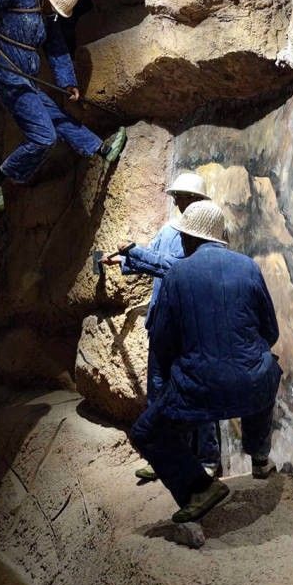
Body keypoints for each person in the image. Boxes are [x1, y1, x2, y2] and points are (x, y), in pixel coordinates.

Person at [130, 199, 281, 524]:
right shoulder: (249, 267)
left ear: (188, 238)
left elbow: (163, 345)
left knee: (146, 431)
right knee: (268, 367)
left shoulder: (177, 275)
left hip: (201, 393)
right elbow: (271, 332)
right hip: (253, 387)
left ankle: (199, 489)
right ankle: (259, 456)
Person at [0, 0, 127, 210]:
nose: (55, 13)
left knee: (57, 116)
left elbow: (57, 48)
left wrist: (68, 82)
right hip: (3, 71)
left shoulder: (48, 17)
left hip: (26, 78)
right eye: (54, 8)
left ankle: (102, 149)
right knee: (44, 136)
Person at [100, 173, 222, 480]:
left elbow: (176, 268)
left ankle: (208, 459)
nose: (180, 202)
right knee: (158, 395)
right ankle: (166, 459)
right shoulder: (169, 232)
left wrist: (135, 253)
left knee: (198, 394)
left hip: (191, 329)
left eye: (186, 197)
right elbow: (153, 259)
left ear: (199, 201)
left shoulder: (205, 238)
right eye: (178, 196)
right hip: (162, 326)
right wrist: (125, 261)